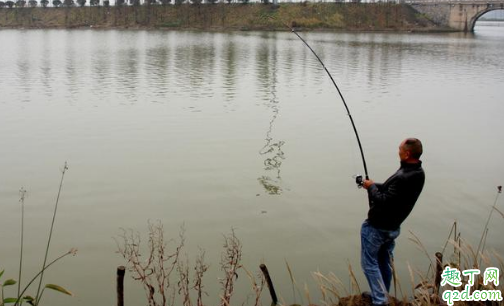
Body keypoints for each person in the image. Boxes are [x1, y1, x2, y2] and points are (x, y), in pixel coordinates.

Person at [360, 138, 425, 306]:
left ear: (407, 153)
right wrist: (372, 185)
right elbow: (394, 194)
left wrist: (372, 188)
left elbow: (383, 200)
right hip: (392, 227)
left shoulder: (403, 176)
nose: (398, 152)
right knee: (384, 262)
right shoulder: (418, 173)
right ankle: (381, 294)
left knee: (369, 263)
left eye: (400, 149)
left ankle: (380, 300)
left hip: (377, 228)